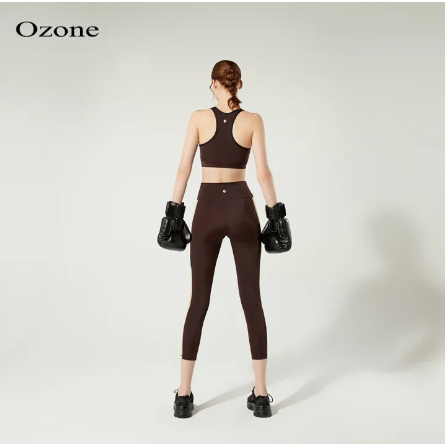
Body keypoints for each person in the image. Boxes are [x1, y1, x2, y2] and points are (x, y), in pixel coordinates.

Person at [157, 60, 292, 418]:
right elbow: (263, 174)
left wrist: (173, 213)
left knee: (198, 301)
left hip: (207, 210)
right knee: (252, 300)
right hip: (242, 207)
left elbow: (184, 168)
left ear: (214, 84)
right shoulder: (253, 121)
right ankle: (260, 395)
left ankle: (184, 395)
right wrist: (276, 216)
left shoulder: (198, 118)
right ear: (239, 85)